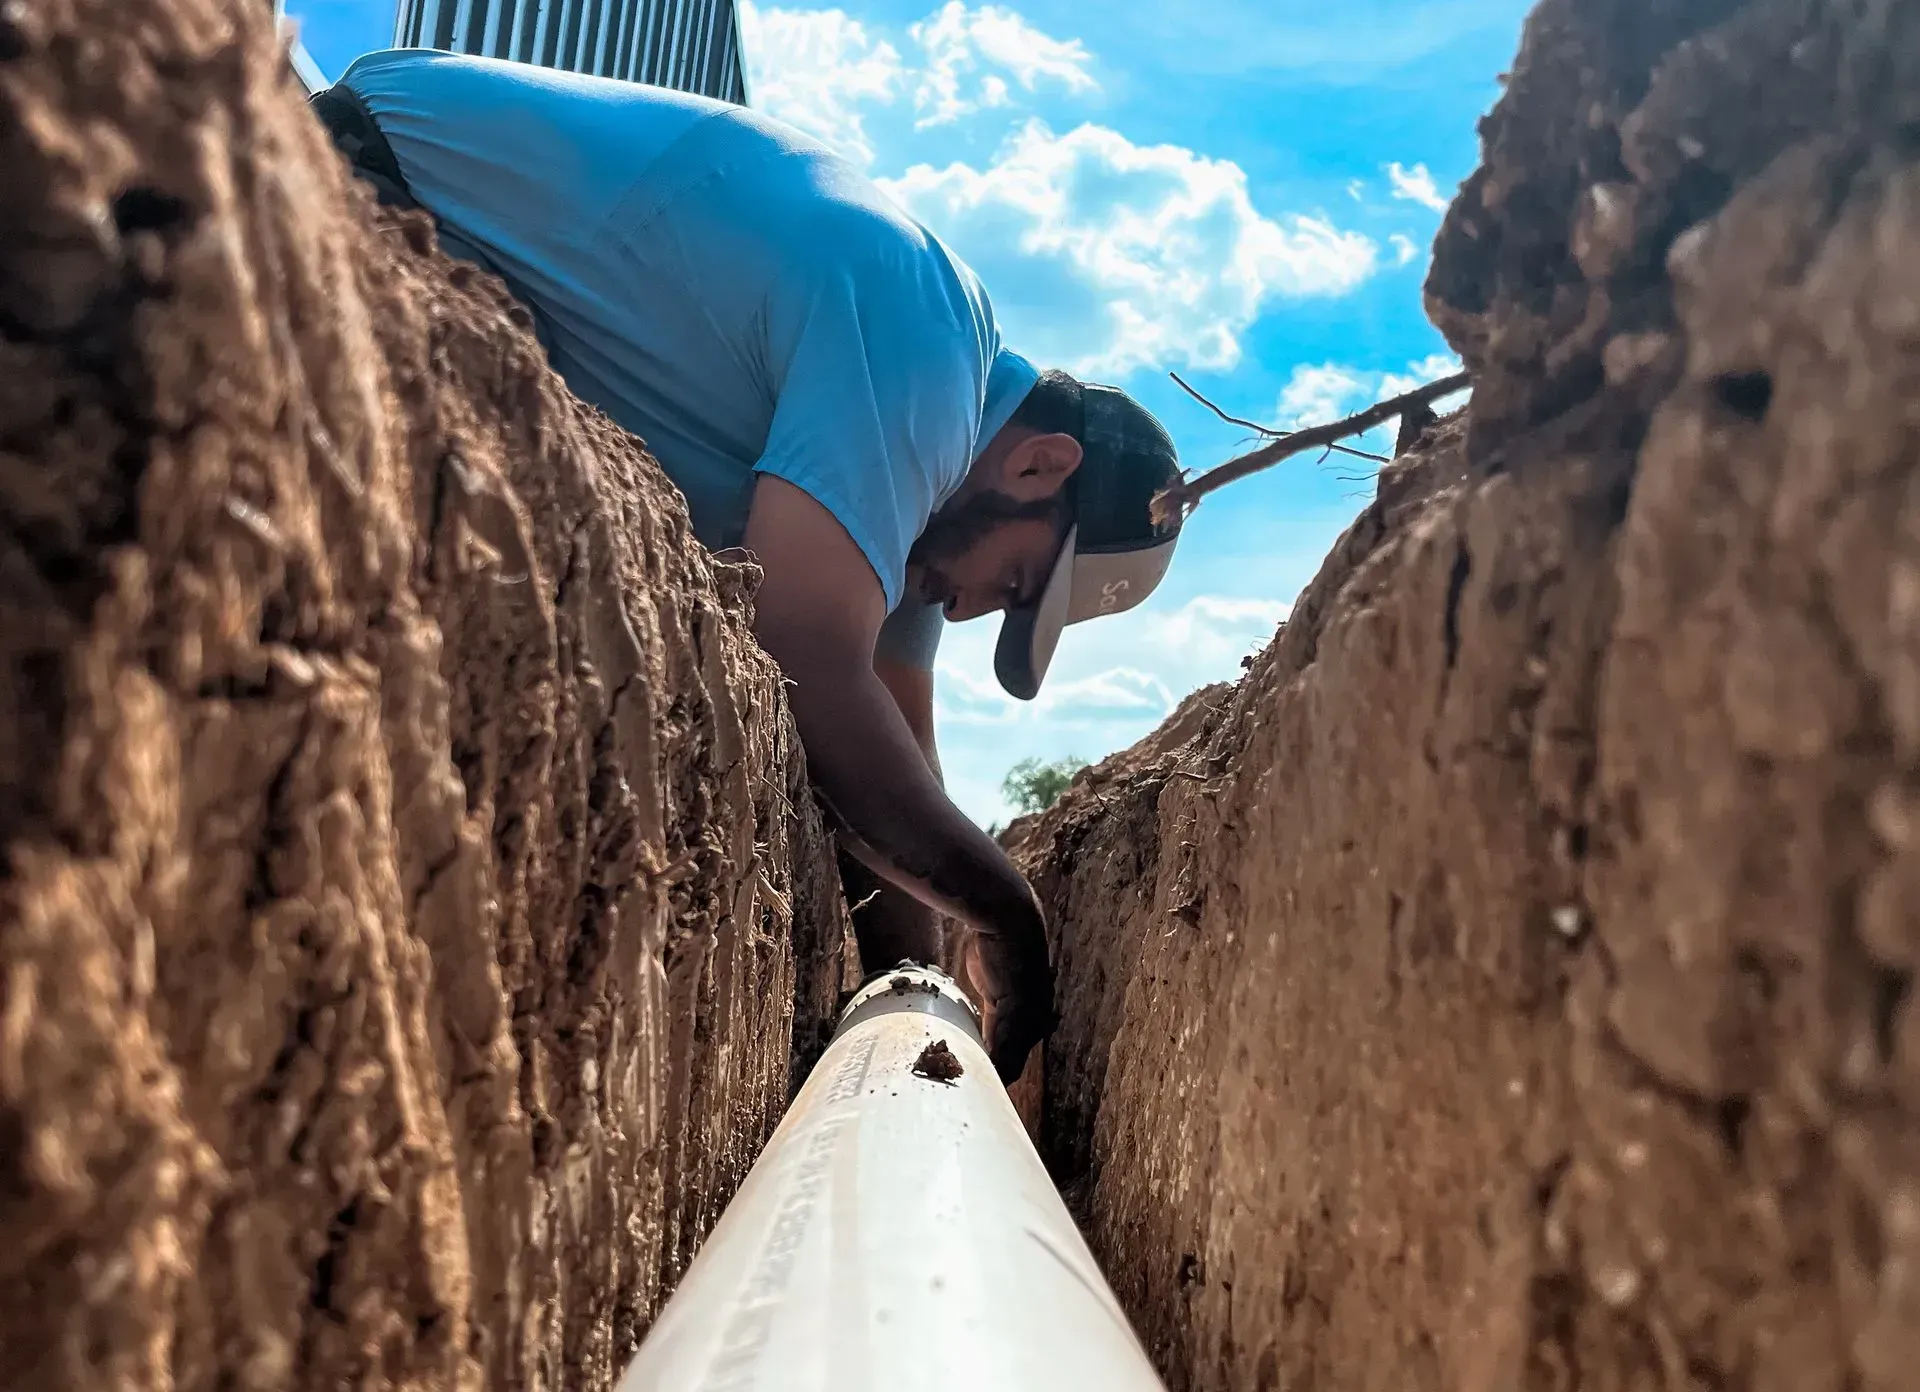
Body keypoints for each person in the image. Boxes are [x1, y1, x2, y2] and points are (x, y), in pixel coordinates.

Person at [310, 49, 1185, 1082]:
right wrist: (1006, 915)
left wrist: (920, 997)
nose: (971, 609)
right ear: (1040, 464)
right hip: (366, 195)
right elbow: (806, 654)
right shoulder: (929, 346)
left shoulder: (910, 510)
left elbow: (889, 746)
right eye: (1015, 585)